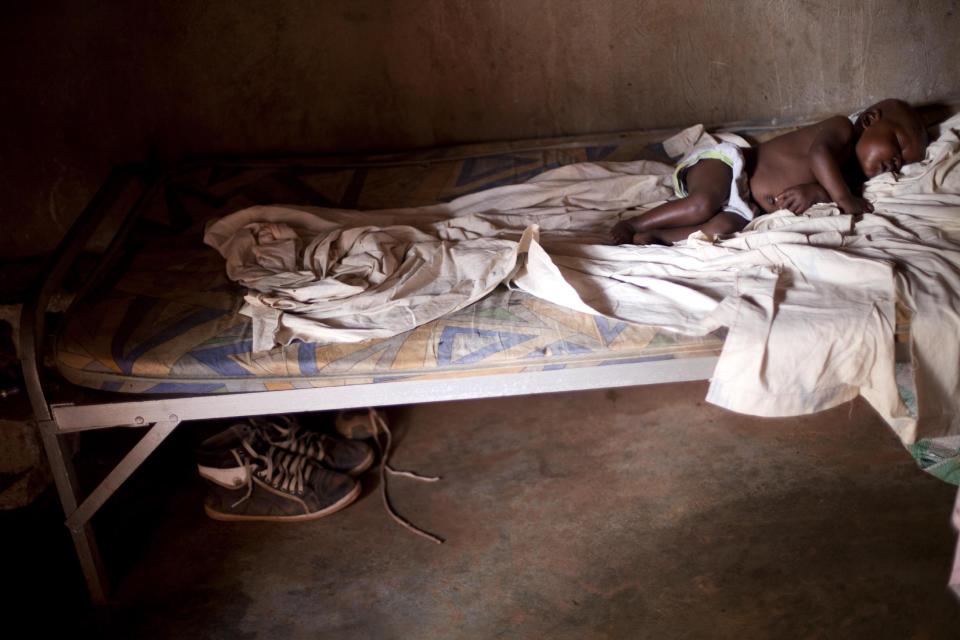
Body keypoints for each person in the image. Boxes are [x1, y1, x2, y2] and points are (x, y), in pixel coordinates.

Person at [611, 98, 929, 245]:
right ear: (871, 119)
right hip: (728, 166)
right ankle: (632, 224)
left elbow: (822, 187)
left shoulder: (850, 178)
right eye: (898, 145)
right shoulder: (840, 129)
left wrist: (815, 192)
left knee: (717, 231)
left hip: (746, 208)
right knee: (702, 204)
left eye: (904, 162)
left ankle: (656, 237)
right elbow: (819, 156)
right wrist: (843, 198)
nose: (896, 162)